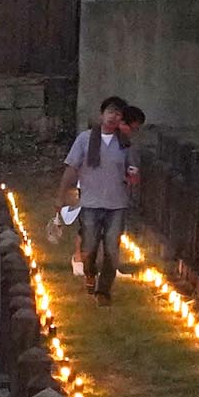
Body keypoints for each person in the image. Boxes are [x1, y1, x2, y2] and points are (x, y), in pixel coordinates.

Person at [60, 96, 139, 298]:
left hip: (117, 204)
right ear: (102, 114)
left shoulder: (125, 143)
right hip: (90, 203)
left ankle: (104, 290)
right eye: (110, 111)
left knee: (112, 248)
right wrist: (62, 194)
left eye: (118, 113)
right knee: (89, 246)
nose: (113, 116)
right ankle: (89, 274)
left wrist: (132, 177)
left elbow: (133, 173)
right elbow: (72, 167)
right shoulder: (85, 139)